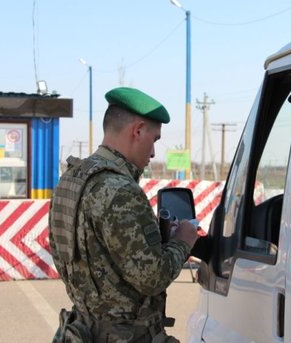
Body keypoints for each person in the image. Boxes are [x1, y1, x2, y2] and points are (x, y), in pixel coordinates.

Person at [49, 87, 199, 342]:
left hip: (80, 330)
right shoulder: (120, 191)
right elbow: (152, 277)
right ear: (138, 130)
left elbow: (65, 254)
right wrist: (182, 241)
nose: (153, 153)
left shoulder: (70, 180)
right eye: (154, 139)